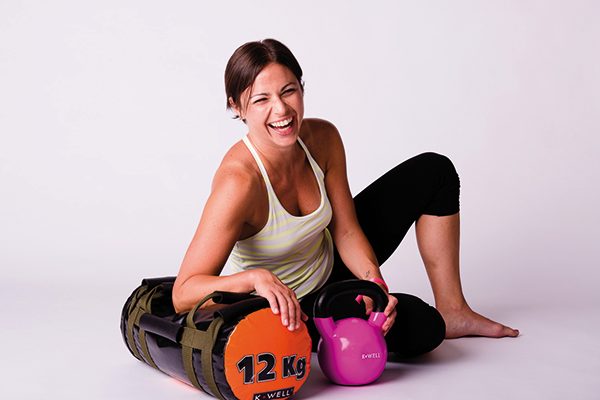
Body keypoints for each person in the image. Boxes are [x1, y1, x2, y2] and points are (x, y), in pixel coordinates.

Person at [173, 38, 518, 357]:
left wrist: (373, 283)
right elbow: (183, 293)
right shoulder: (239, 183)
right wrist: (255, 279)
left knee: (434, 171)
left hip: (330, 266)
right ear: (237, 106)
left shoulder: (322, 138)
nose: (281, 110)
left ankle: (454, 309)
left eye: (288, 91)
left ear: (301, 88)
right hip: (289, 308)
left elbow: (346, 229)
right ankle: (321, 335)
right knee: (424, 329)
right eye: (261, 99)